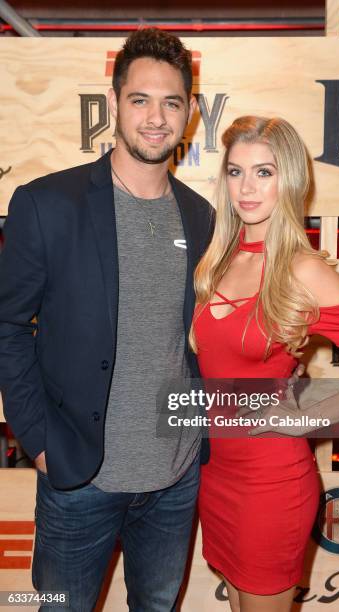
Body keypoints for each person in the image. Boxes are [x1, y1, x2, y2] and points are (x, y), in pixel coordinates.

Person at [0, 29, 213, 611]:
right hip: (77, 479)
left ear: (190, 113)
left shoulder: (201, 216)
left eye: (171, 102)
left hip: (175, 480)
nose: (155, 117)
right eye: (140, 99)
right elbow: (8, 327)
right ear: (114, 102)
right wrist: (39, 442)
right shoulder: (47, 204)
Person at [191, 116, 339, 612]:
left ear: (288, 180)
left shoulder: (302, 269)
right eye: (236, 171)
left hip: (270, 480)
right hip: (214, 472)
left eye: (264, 173)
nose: (247, 188)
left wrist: (305, 417)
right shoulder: (216, 260)